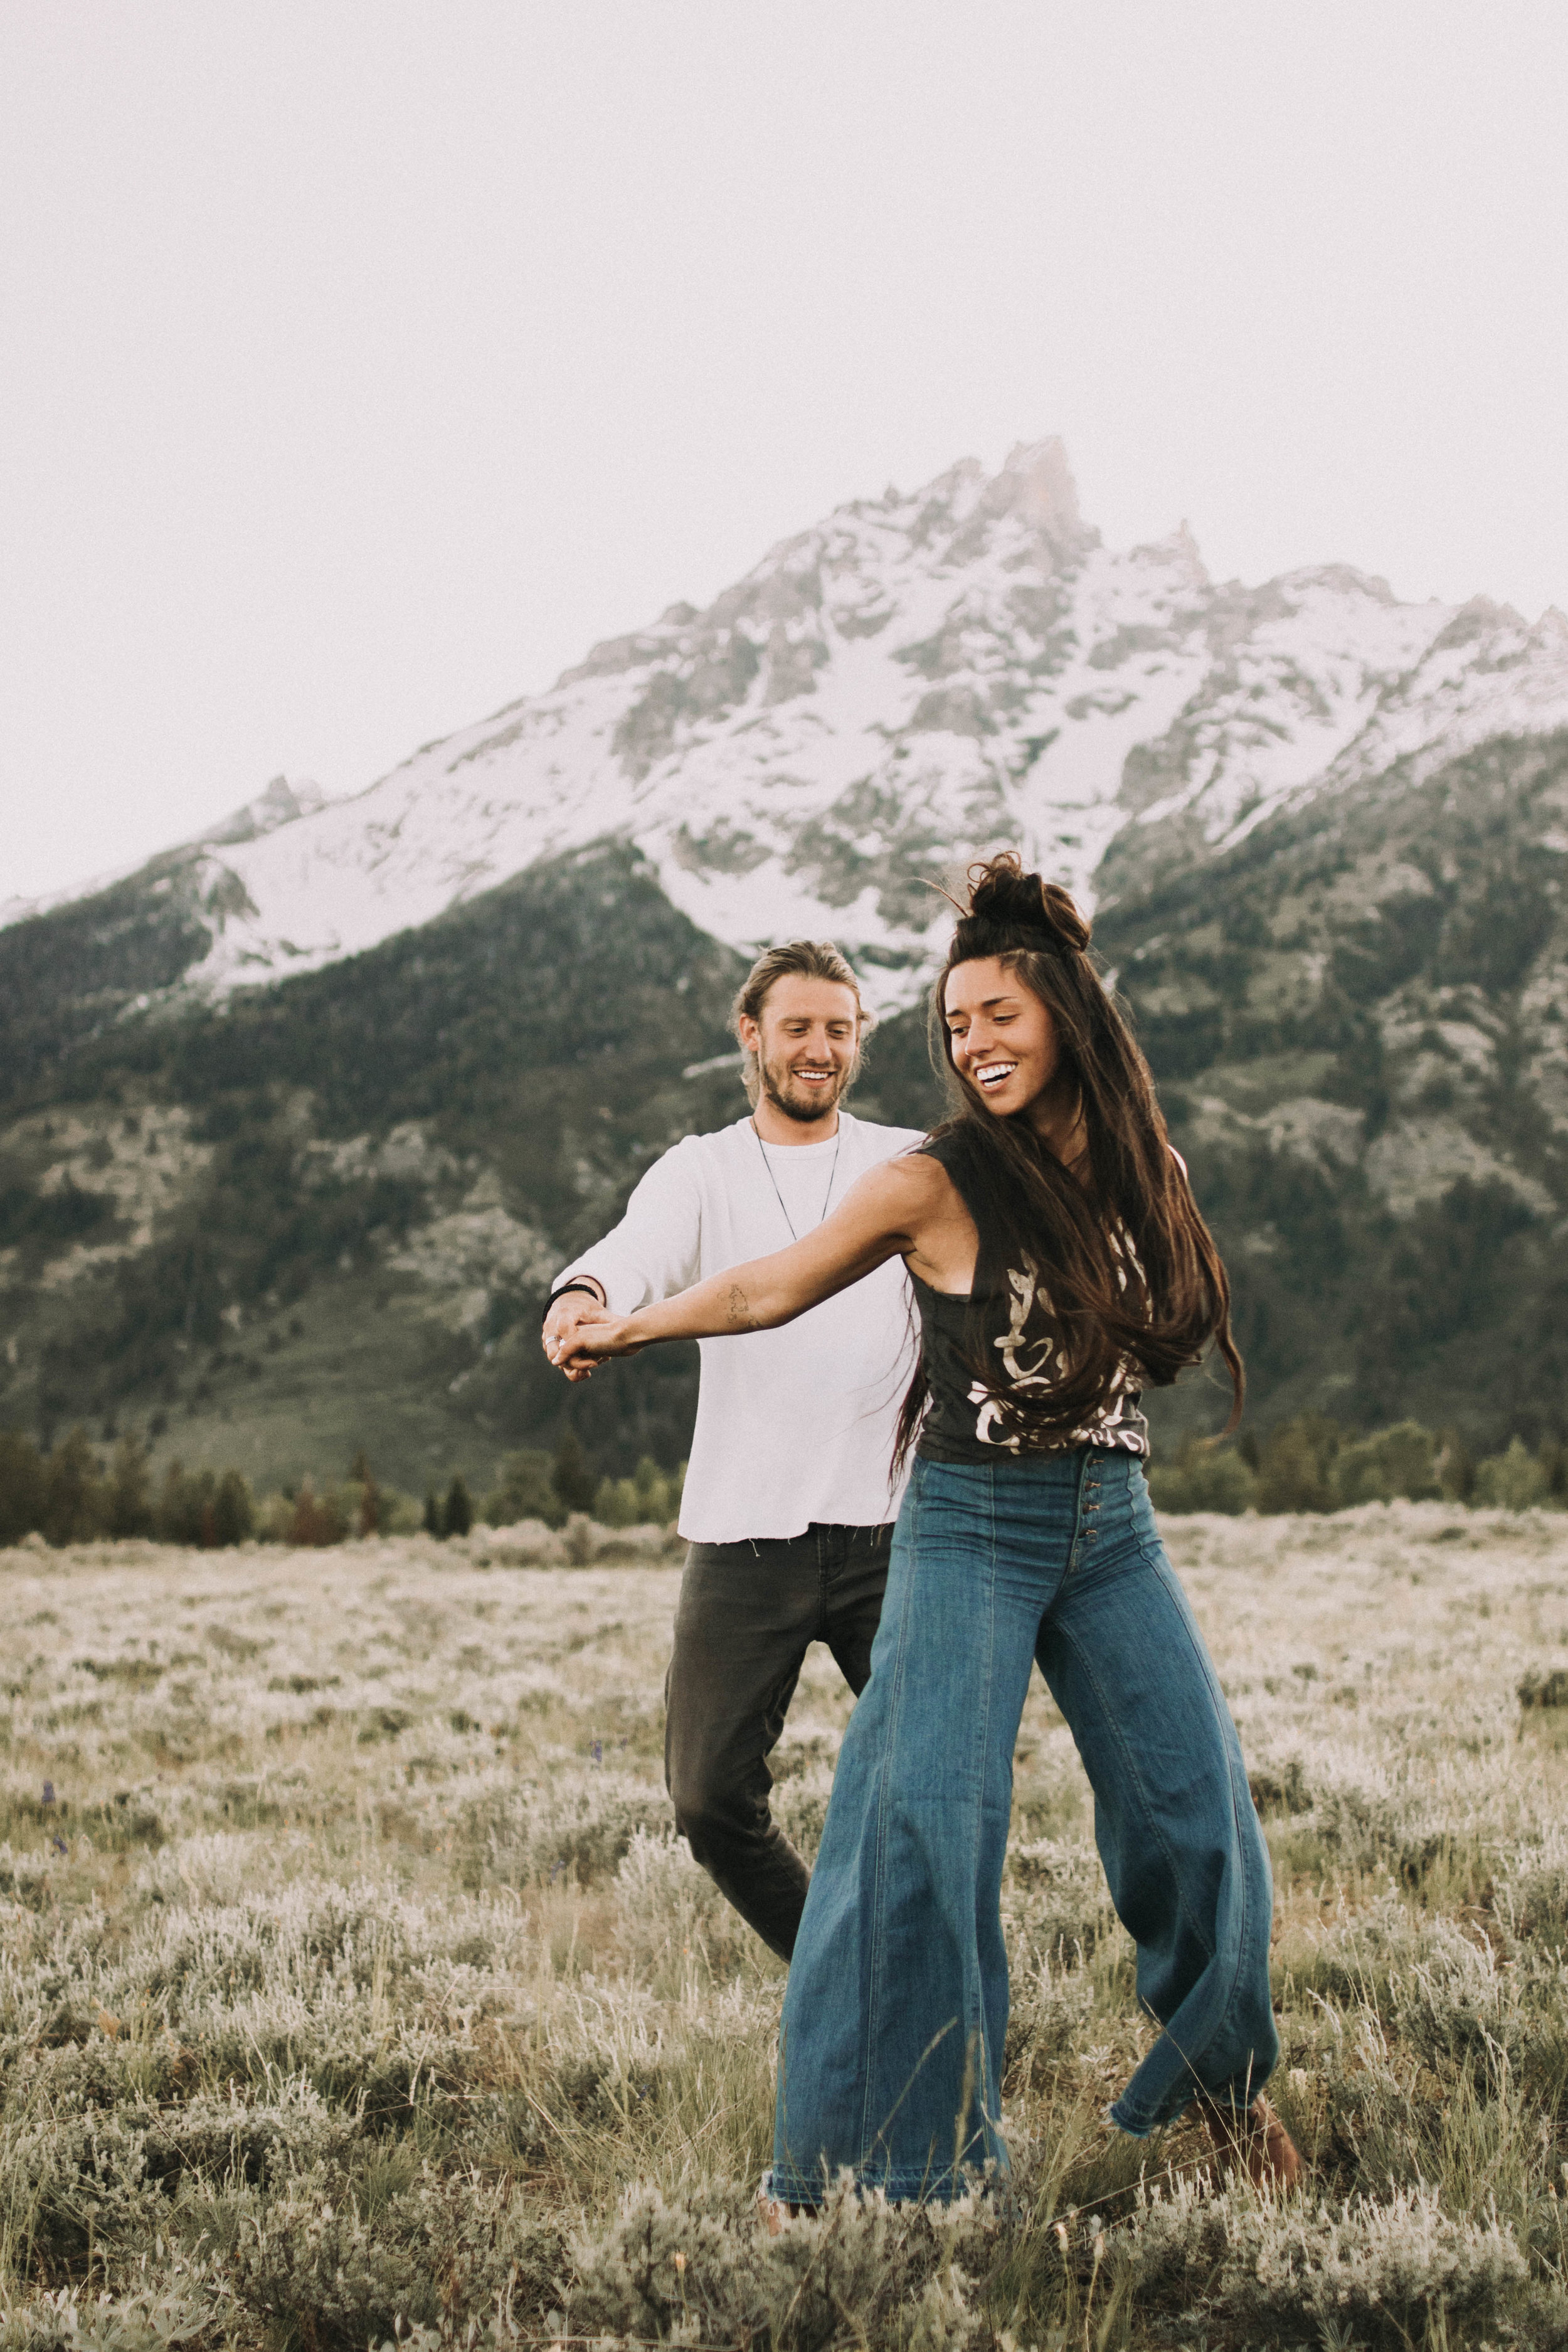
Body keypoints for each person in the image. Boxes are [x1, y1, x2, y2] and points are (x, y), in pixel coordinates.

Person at [549, 855, 1301, 2204]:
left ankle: (1218, 2093)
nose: (973, 1045)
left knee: (1196, 1820)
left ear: (1065, 1015)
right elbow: (761, 1288)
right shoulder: (935, 1177)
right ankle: (894, 2171)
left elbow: (1166, 1316)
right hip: (964, 1525)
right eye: (955, 1027)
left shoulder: (1147, 1166)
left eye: (996, 1017)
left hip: (1109, 1525)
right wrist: (620, 1318)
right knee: (916, 1835)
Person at [541, 940, 924, 1959]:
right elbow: (635, 1251)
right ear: (751, 1036)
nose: (819, 1050)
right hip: (746, 1532)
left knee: (938, 1788)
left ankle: (939, 2002)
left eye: (839, 1030)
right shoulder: (701, 1168)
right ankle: (840, 1977)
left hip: (895, 1528)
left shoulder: (911, 1159)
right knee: (709, 1797)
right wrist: (587, 1296)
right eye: (797, 1028)